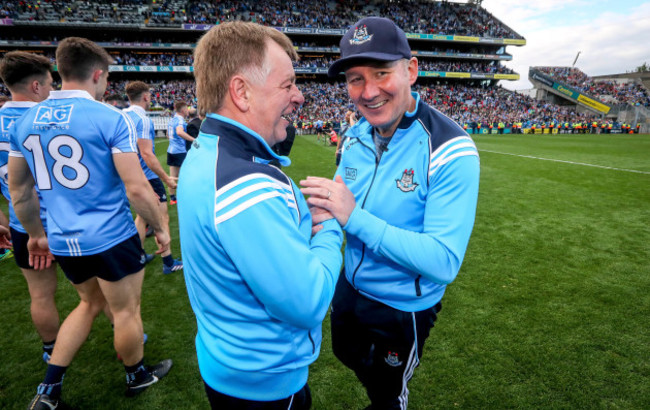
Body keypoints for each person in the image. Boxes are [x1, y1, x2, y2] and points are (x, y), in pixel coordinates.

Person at [301, 17, 480, 409]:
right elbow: (337, 199)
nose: (369, 92)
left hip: (402, 307)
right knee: (345, 353)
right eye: (355, 79)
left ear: (411, 70)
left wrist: (353, 218)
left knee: (387, 392)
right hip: (348, 287)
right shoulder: (356, 135)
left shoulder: (451, 150)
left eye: (382, 73)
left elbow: (444, 261)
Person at [177, 22, 343, 409]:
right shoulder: (247, 183)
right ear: (241, 91)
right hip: (264, 382)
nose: (299, 96)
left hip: (228, 364)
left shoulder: (208, 150)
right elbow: (309, 302)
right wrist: (329, 226)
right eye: (288, 85)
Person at [8, 37, 173, 409]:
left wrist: (35, 234)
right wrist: (160, 227)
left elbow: (19, 191)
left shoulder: (25, 120)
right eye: (106, 77)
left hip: (64, 239)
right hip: (110, 236)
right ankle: (137, 376)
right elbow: (136, 187)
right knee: (126, 311)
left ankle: (48, 390)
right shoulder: (109, 117)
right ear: (97, 74)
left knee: (87, 304)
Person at [0, 51, 60, 363]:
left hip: (23, 225)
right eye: (50, 83)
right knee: (96, 293)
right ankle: (129, 343)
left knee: (39, 294)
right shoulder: (50, 119)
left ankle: (51, 350)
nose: (52, 89)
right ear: (36, 86)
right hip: (66, 222)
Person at [123, 80, 183, 274]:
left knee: (142, 217)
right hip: (147, 176)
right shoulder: (143, 119)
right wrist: (165, 178)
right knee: (161, 218)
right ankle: (168, 263)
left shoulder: (121, 115)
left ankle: (137, 256)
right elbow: (147, 154)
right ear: (146, 97)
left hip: (129, 175)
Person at [166, 100, 193, 205]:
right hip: (180, 151)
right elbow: (179, 132)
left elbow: (168, 135)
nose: (188, 111)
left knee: (172, 176)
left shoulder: (172, 120)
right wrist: (193, 140)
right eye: (186, 109)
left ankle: (173, 198)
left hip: (171, 150)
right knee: (186, 175)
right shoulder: (180, 120)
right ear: (182, 110)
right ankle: (186, 197)